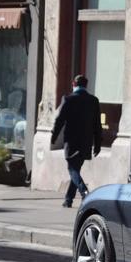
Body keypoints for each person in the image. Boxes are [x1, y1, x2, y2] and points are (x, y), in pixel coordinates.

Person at [51, 74, 102, 208]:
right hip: (86, 142)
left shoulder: (68, 99)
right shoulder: (93, 100)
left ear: (73, 84)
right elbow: (97, 125)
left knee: (72, 169)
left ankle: (85, 192)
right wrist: (98, 144)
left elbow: (59, 120)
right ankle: (68, 200)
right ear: (86, 85)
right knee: (76, 168)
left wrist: (53, 137)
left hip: (71, 142)